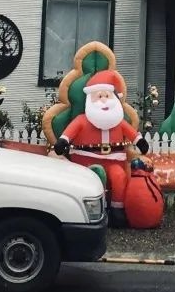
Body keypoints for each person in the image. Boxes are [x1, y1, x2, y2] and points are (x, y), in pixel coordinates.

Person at [54, 70, 149, 226]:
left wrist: (140, 142)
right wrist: (63, 141)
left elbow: (133, 134)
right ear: (90, 100)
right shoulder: (82, 120)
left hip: (114, 160)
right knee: (95, 177)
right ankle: (95, 211)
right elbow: (68, 134)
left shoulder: (119, 121)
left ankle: (117, 211)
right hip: (86, 160)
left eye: (107, 96)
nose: (104, 101)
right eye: (99, 97)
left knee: (119, 177)